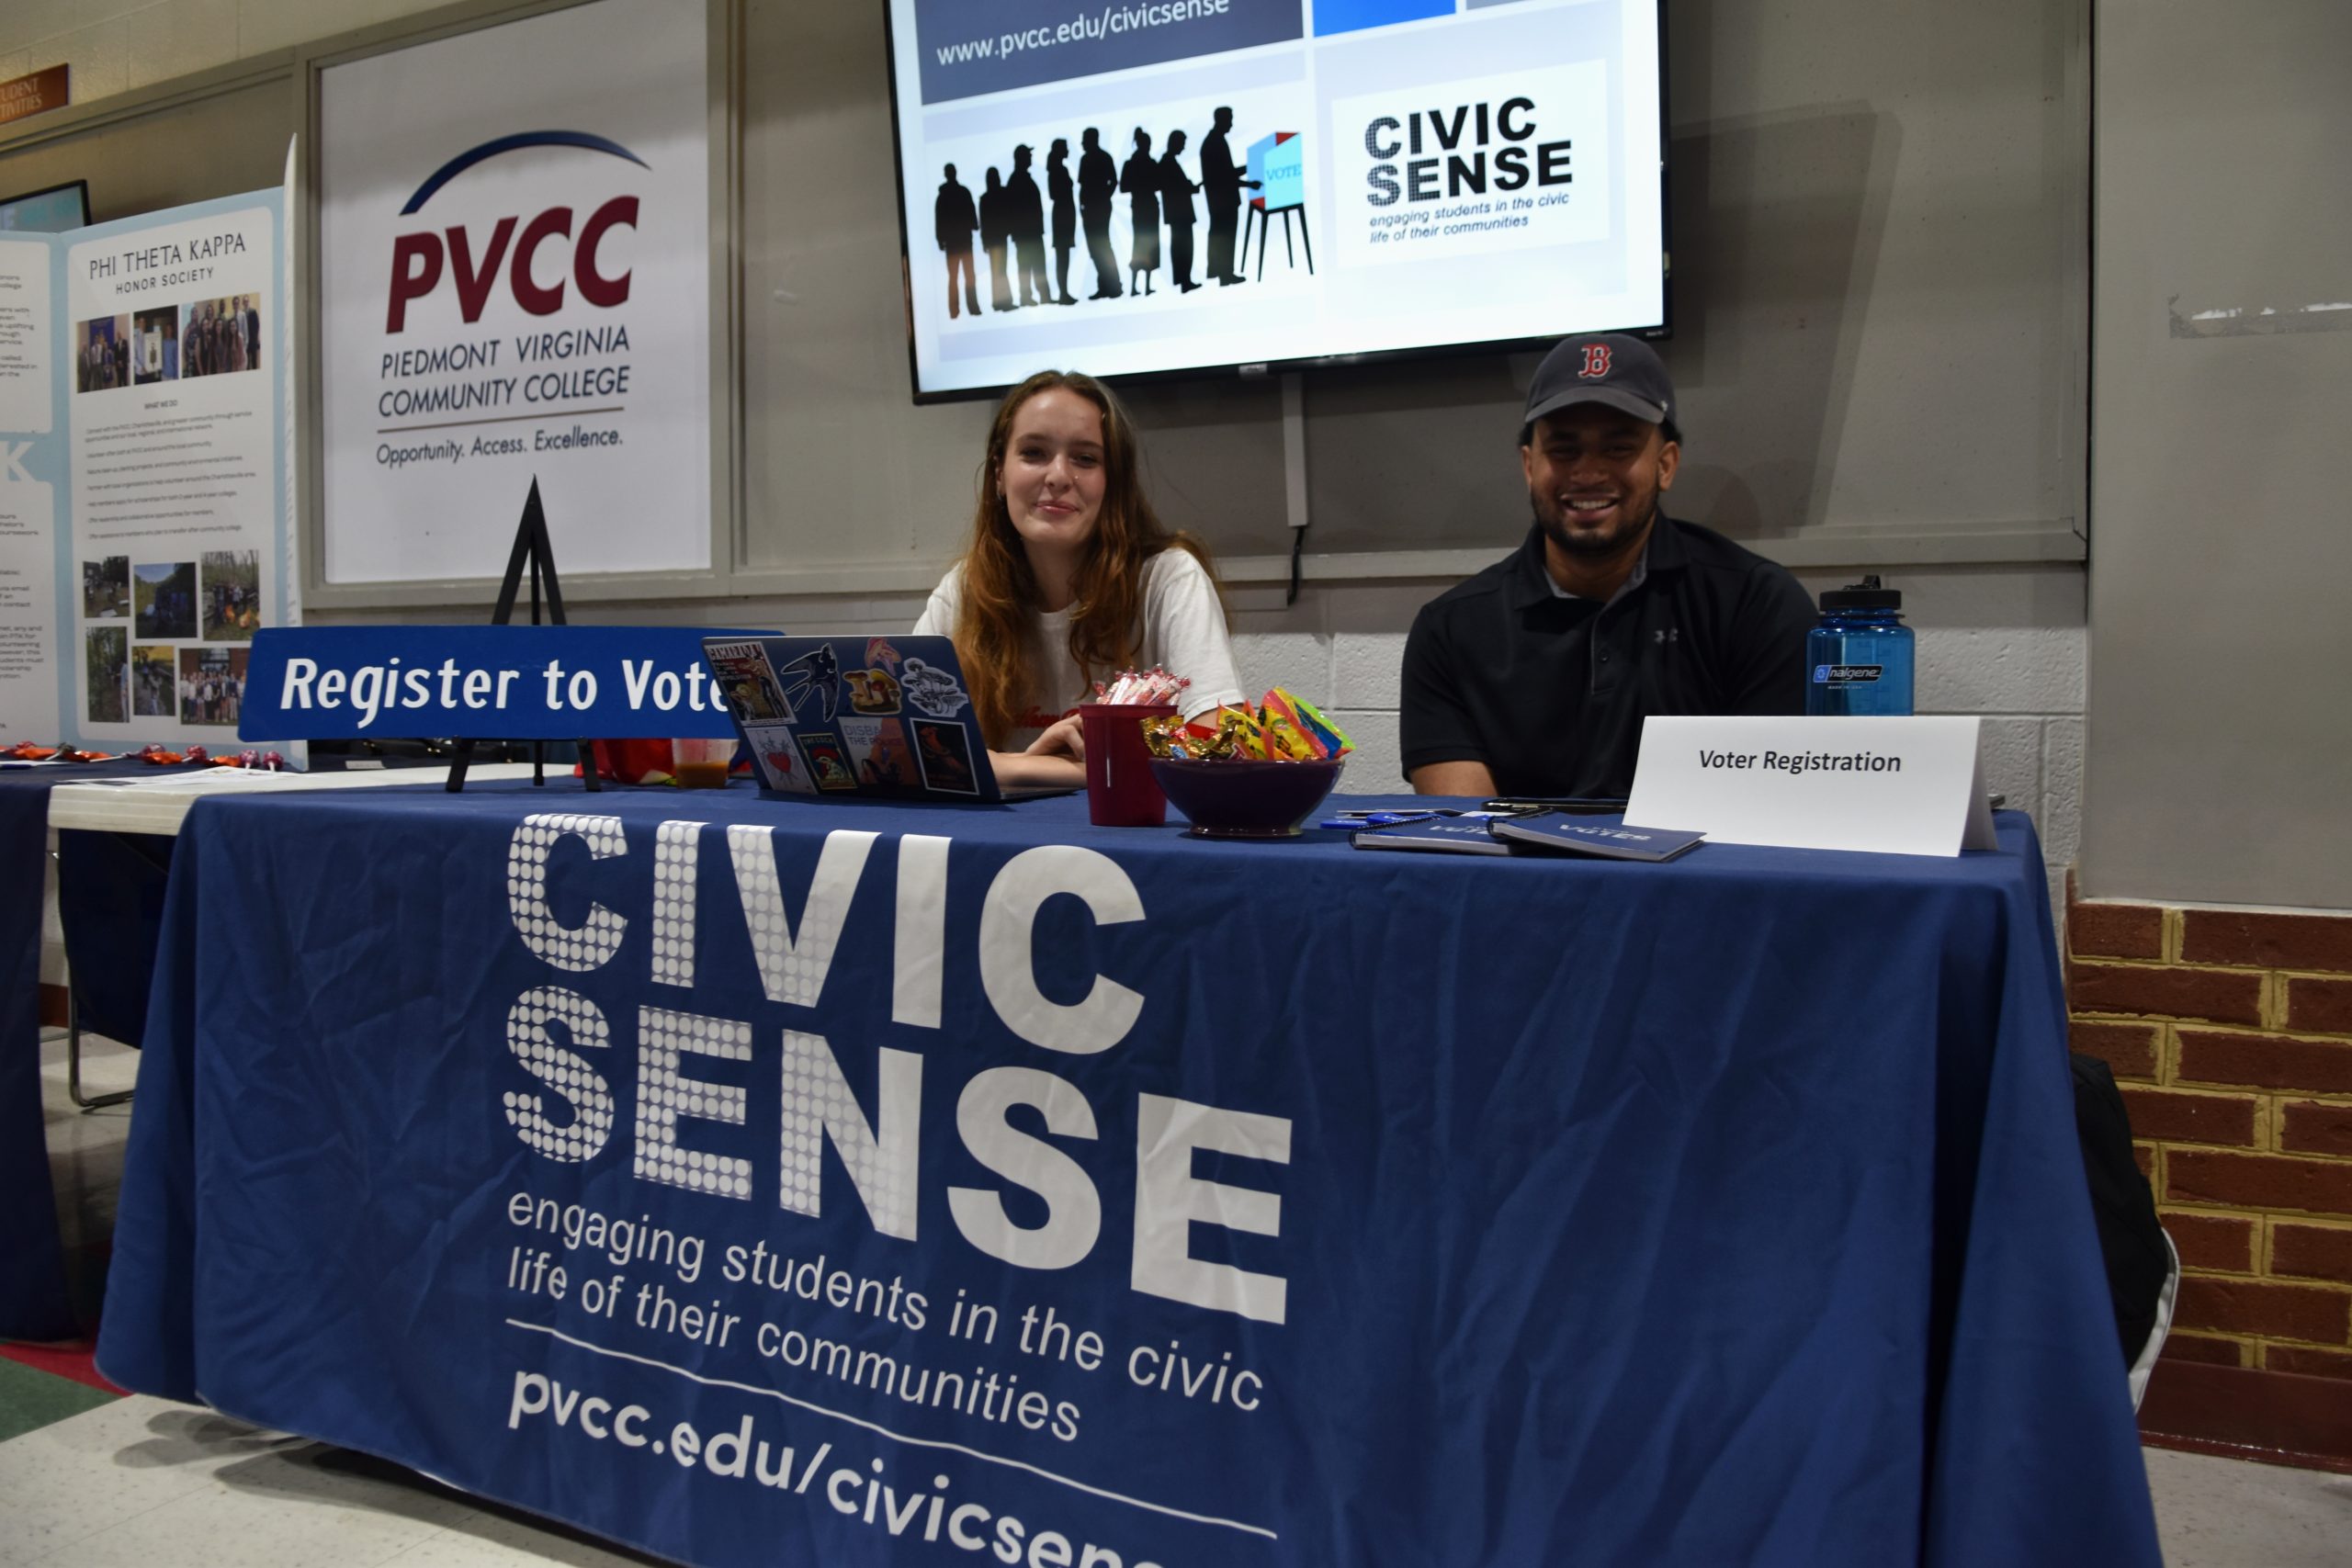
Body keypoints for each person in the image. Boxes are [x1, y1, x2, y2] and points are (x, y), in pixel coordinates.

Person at [1400, 333, 1816, 798]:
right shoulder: (1450, 629)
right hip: (1524, 873)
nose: (1588, 472)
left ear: (1665, 464)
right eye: (1563, 449)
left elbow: (1769, 807)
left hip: (1699, 870)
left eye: (1618, 448)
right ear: (1529, 466)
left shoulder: (1758, 605)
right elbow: (1466, 834)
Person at [913, 369, 1245, 789]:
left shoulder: (1168, 577)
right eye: (1034, 453)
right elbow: (906, 750)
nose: (1057, 476)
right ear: (999, 474)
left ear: (1113, 482)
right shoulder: (964, 590)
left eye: (1085, 459)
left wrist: (1006, 765)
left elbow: (1219, 748)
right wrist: (1029, 764)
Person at [1200, 107, 1259, 286]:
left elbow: (1225, 174)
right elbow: (1224, 176)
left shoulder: (1214, 141)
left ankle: (1222, 273)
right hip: (1222, 201)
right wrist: (1249, 181)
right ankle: (1224, 274)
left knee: (1221, 236)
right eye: (1229, 119)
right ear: (1222, 120)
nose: (1231, 124)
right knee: (1224, 237)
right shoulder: (1214, 142)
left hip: (1220, 201)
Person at [1078, 129, 1121, 299]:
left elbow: (1113, 181)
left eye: (1085, 139)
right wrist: (1082, 205)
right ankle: (1105, 286)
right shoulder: (1086, 159)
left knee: (1102, 246)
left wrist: (1104, 196)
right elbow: (1083, 185)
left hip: (1099, 208)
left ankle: (1114, 285)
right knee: (1096, 249)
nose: (1083, 142)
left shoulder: (1102, 157)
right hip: (1090, 208)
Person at [934, 164, 981, 320]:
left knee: (961, 276)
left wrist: (941, 239)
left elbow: (939, 219)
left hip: (956, 242)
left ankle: (959, 310)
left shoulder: (946, 196)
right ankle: (967, 308)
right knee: (964, 275)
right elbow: (940, 219)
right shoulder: (961, 192)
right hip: (959, 241)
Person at [1119, 130, 1160, 297]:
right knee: (1144, 245)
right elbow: (1124, 187)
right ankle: (1138, 287)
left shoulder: (1133, 164)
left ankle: (1140, 286)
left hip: (1143, 206)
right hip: (1145, 206)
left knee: (1143, 245)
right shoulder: (1143, 164)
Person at [1159, 130, 1200, 292]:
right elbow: (1174, 186)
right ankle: (1184, 280)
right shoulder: (1168, 162)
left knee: (1182, 247)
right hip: (1179, 214)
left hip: (1178, 214)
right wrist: (1189, 186)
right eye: (1182, 144)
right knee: (1183, 248)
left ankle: (1184, 280)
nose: (1183, 148)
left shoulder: (1168, 162)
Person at [1007, 145, 1048, 308]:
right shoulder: (1017, 179)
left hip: (1031, 232)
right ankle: (1027, 297)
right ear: (1022, 158)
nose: (1031, 158)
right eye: (1028, 155)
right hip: (1026, 234)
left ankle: (1042, 295)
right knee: (1027, 266)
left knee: (1036, 265)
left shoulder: (1020, 178)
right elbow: (1013, 208)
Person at [1046, 139, 1078, 305]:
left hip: (1064, 216)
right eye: (1065, 148)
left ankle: (1064, 292)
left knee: (1063, 257)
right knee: (1062, 257)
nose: (1068, 151)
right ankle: (1063, 293)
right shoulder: (1057, 171)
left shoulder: (1059, 169)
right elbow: (1054, 194)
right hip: (1062, 217)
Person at [978, 169, 1014, 312]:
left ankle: (999, 302)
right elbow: (984, 222)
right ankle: (1003, 302)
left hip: (996, 238)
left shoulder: (987, 198)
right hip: (997, 238)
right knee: (1000, 270)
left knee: (998, 270)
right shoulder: (996, 196)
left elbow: (983, 223)